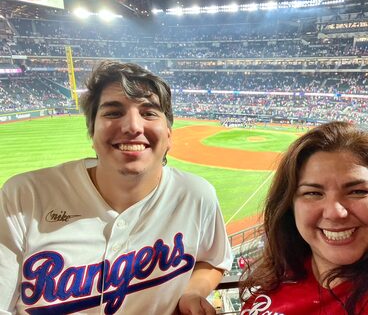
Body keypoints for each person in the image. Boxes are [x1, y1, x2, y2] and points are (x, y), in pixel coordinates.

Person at [0, 60, 233, 315]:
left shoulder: (196, 195)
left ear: (169, 135)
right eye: (113, 112)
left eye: (149, 113)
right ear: (92, 132)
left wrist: (193, 291)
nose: (132, 126)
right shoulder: (23, 197)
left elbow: (213, 259)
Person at [240, 121, 368, 315]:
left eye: (357, 191)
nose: (335, 213)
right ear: (290, 206)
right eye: (313, 193)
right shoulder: (271, 285)